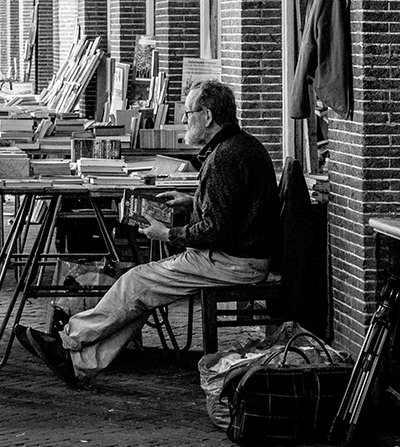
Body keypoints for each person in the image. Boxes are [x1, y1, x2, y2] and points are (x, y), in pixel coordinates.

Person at [16, 79, 279, 388]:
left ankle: (68, 341)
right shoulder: (238, 146)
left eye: (189, 112)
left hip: (233, 262)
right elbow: (233, 208)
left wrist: (166, 234)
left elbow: (216, 229)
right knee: (143, 293)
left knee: (136, 281)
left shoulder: (224, 156)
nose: (183, 120)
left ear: (207, 117)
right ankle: (78, 365)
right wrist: (191, 201)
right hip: (239, 256)